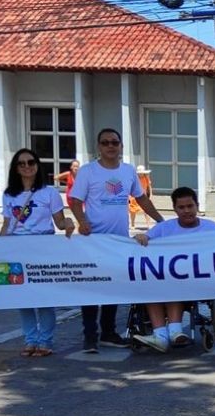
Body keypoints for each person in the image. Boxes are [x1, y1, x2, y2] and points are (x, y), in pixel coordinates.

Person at [69, 128, 164, 353]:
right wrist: (82, 221)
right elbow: (75, 201)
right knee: (91, 289)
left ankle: (108, 333)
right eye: (105, 143)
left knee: (112, 287)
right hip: (93, 240)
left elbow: (141, 199)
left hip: (118, 241)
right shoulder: (88, 171)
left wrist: (162, 221)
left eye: (114, 142)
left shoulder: (128, 171)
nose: (110, 146)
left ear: (121, 145)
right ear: (98, 147)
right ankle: (90, 336)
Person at [0, 148, 74, 357]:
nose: (27, 166)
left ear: (37, 165)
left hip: (43, 247)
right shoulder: (9, 194)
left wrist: (68, 222)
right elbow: (7, 225)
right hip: (17, 248)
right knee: (23, 298)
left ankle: (45, 341)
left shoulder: (49, 193)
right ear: (15, 168)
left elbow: (60, 222)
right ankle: (30, 340)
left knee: (44, 299)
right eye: (21, 163)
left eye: (31, 162)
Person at [131, 187, 215, 353]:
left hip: (202, 279)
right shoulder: (164, 228)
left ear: (197, 206)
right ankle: (161, 335)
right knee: (151, 282)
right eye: (181, 207)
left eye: (190, 206)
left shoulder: (211, 228)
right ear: (175, 209)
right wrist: (140, 237)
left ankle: (173, 331)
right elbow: (145, 240)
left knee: (172, 281)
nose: (186, 211)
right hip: (172, 278)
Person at [128, 165, 154, 231]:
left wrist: (150, 195)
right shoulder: (134, 178)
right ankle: (132, 225)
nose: (141, 174)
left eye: (142, 173)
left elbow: (149, 187)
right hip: (134, 197)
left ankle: (148, 225)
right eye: (140, 173)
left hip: (143, 197)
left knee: (147, 211)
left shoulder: (146, 178)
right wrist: (128, 196)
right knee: (133, 211)